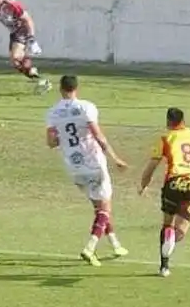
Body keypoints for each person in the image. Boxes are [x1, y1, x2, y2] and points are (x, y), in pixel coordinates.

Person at [46, 75, 129, 266]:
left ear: (60, 89)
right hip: (93, 162)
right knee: (105, 208)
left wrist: (64, 138)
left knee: (99, 207)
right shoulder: (86, 107)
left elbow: (51, 142)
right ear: (77, 88)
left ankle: (115, 244)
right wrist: (115, 158)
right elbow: (98, 135)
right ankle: (90, 248)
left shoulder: (53, 112)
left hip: (74, 166)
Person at [137, 107, 190, 277]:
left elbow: (151, 166)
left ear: (168, 122)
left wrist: (143, 185)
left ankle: (164, 266)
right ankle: (172, 241)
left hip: (173, 184)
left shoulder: (165, 138)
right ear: (184, 121)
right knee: (180, 229)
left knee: (167, 223)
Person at [0, 0, 51, 93]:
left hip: (22, 30)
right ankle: (41, 79)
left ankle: (40, 79)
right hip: (13, 33)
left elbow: (28, 20)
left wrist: (31, 39)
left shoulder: (11, 5)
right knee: (15, 62)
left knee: (16, 56)